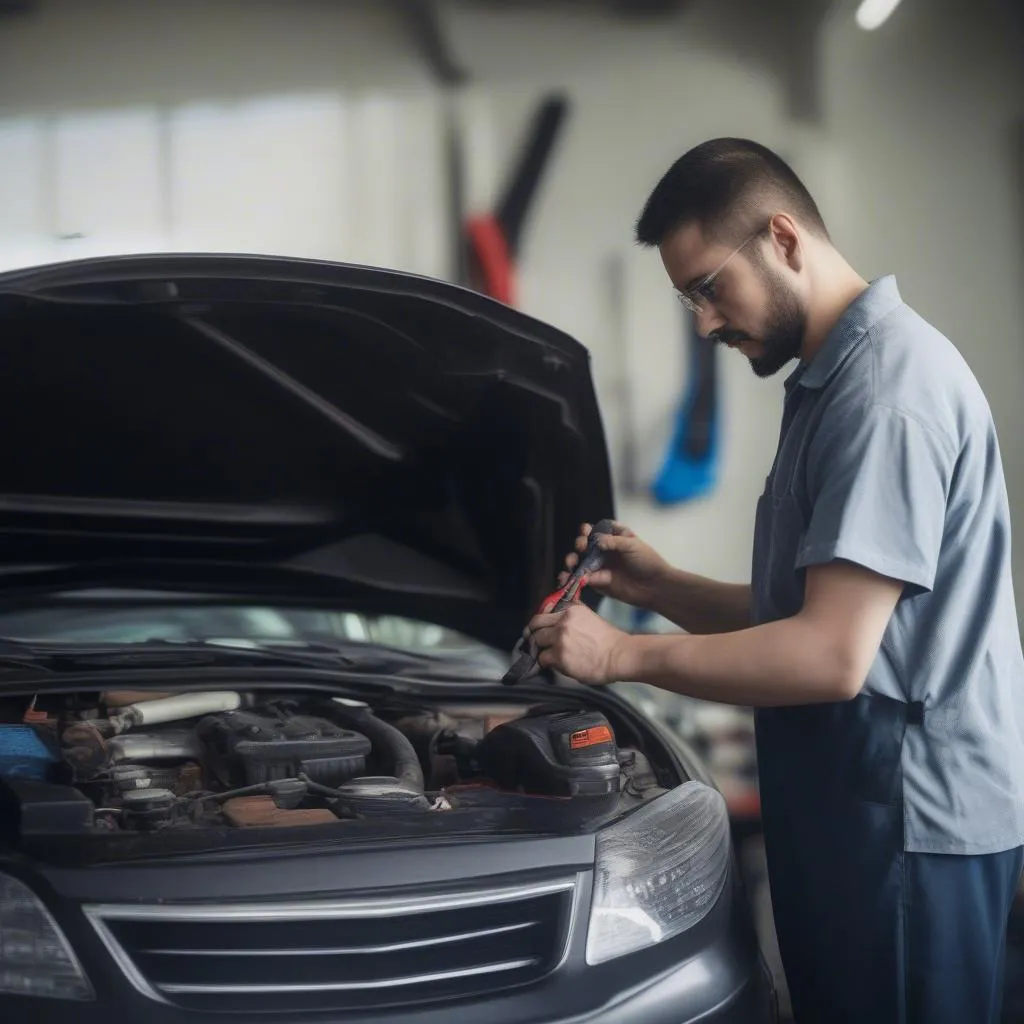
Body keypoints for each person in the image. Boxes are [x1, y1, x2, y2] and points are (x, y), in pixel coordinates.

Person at [527, 138, 1024, 1023]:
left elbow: (830, 656)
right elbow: (807, 612)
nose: (704, 324)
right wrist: (661, 586)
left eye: (709, 287)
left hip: (908, 827)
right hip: (858, 816)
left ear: (784, 240)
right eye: (689, 298)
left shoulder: (885, 396)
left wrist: (620, 655)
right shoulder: (834, 387)